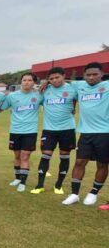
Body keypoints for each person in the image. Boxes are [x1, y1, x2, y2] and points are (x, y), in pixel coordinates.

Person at [62, 62, 109, 206]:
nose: (91, 77)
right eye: (88, 75)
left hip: (105, 133)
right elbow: (62, 82)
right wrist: (47, 85)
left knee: (102, 164)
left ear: (101, 74)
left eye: (95, 74)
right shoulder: (79, 86)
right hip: (85, 132)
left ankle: (93, 193)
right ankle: (74, 194)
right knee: (79, 162)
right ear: (84, 76)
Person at [30, 67, 77, 195]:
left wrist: (74, 108)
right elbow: (33, 99)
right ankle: (40, 185)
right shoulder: (45, 90)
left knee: (64, 157)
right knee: (45, 157)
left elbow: (80, 99)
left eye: (57, 77)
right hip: (49, 130)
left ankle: (59, 185)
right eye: (51, 78)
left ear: (63, 76)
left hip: (67, 129)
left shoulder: (73, 89)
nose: (54, 80)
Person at [1, 73, 43, 192]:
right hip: (15, 130)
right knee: (17, 155)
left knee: (25, 156)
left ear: (33, 83)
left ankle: (23, 182)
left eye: (29, 80)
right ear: (21, 82)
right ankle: (17, 178)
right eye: (24, 80)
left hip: (30, 131)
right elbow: (1, 108)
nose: (27, 82)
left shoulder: (39, 96)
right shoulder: (12, 96)